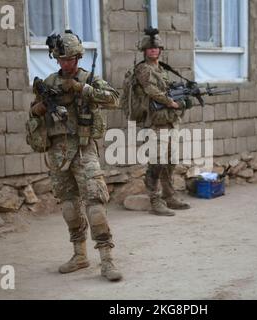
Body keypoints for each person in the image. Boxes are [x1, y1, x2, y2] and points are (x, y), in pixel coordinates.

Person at [29, 30, 122, 281]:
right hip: (58, 153)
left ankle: (107, 260)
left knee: (95, 204)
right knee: (69, 206)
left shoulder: (89, 79)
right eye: (61, 59)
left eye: (70, 58)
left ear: (78, 58)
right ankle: (79, 255)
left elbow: (114, 99)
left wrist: (82, 88)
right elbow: (34, 114)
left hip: (83, 149)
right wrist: (39, 108)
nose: (65, 63)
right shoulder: (48, 83)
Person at [132, 29, 191, 217]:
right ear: (144, 50)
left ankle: (169, 195)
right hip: (155, 124)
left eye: (156, 48)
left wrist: (183, 98)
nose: (153, 51)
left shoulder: (163, 70)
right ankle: (155, 200)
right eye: (150, 48)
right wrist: (171, 102)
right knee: (156, 163)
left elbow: (168, 90)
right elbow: (151, 90)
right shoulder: (143, 69)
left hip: (170, 122)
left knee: (171, 161)